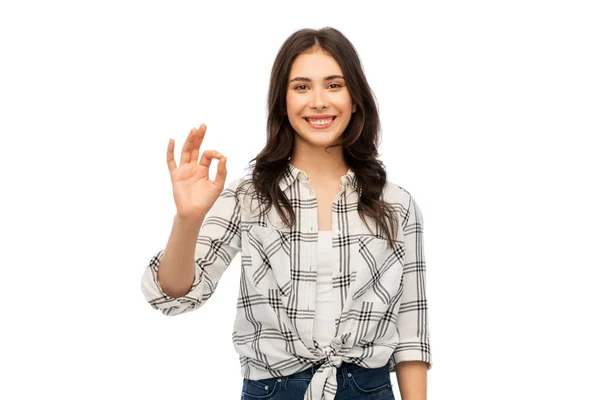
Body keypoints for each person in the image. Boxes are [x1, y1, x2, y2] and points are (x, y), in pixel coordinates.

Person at [141, 27, 432, 400]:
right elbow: (174, 296)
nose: (318, 101)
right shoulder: (249, 198)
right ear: (282, 101)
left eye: (333, 85)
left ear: (355, 98)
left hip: (368, 389)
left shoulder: (397, 205)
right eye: (301, 87)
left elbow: (411, 335)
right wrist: (188, 218)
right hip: (273, 390)